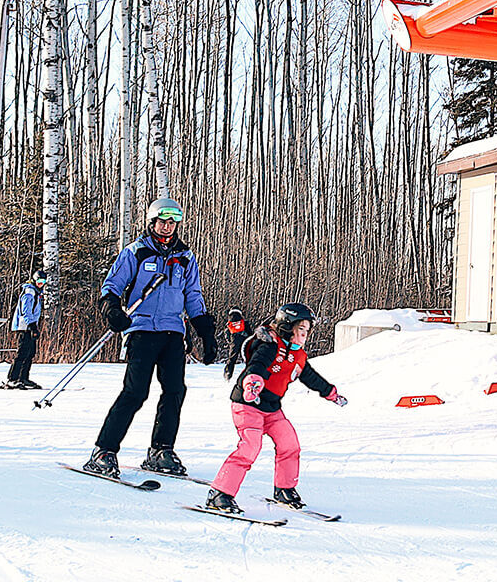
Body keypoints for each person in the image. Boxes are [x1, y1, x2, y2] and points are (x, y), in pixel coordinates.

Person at [83, 196, 219, 478]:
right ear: (152, 222)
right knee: (135, 392)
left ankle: (161, 450)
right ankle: (104, 451)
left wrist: (205, 331)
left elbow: (192, 296)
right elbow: (112, 286)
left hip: (172, 333)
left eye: (173, 222)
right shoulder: (136, 252)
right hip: (142, 330)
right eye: (163, 221)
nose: (168, 227)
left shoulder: (186, 258)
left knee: (175, 391)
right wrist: (112, 309)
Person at [204, 302, 347, 515]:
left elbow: (310, 377)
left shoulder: (298, 355)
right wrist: (252, 382)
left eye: (307, 330)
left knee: (290, 443)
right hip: (248, 404)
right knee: (250, 447)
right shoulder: (270, 345)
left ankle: (284, 489)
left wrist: (330, 393)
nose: (305, 335)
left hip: (271, 409)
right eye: (301, 330)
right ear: (287, 328)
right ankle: (219, 493)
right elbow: (257, 365)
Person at [3, 271, 46, 389]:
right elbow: (25, 310)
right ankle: (13, 378)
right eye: (39, 281)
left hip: (30, 326)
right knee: (22, 352)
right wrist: (32, 325)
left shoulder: (36, 292)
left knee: (30, 352)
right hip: (24, 326)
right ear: (34, 280)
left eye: (43, 282)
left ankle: (23, 377)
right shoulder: (29, 292)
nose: (41, 284)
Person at [222, 307, 249, 381]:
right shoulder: (243, 321)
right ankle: (249, 374)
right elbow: (250, 332)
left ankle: (228, 373)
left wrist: (230, 342)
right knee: (248, 358)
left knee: (232, 358)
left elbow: (227, 333)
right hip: (244, 340)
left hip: (234, 341)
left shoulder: (229, 322)